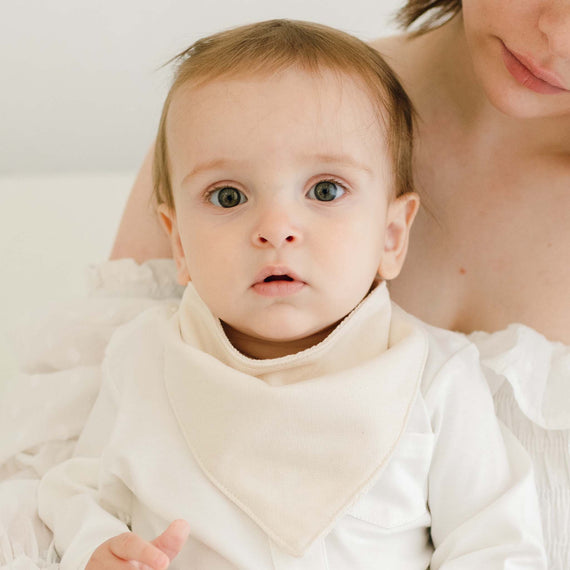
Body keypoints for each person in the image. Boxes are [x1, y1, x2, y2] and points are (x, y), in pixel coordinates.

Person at [36, 20, 546, 570]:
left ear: (392, 236)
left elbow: (497, 543)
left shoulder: (436, 378)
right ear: (178, 242)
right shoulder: (143, 359)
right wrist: (97, 547)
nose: (276, 227)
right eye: (228, 195)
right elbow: (75, 490)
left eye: (325, 190)